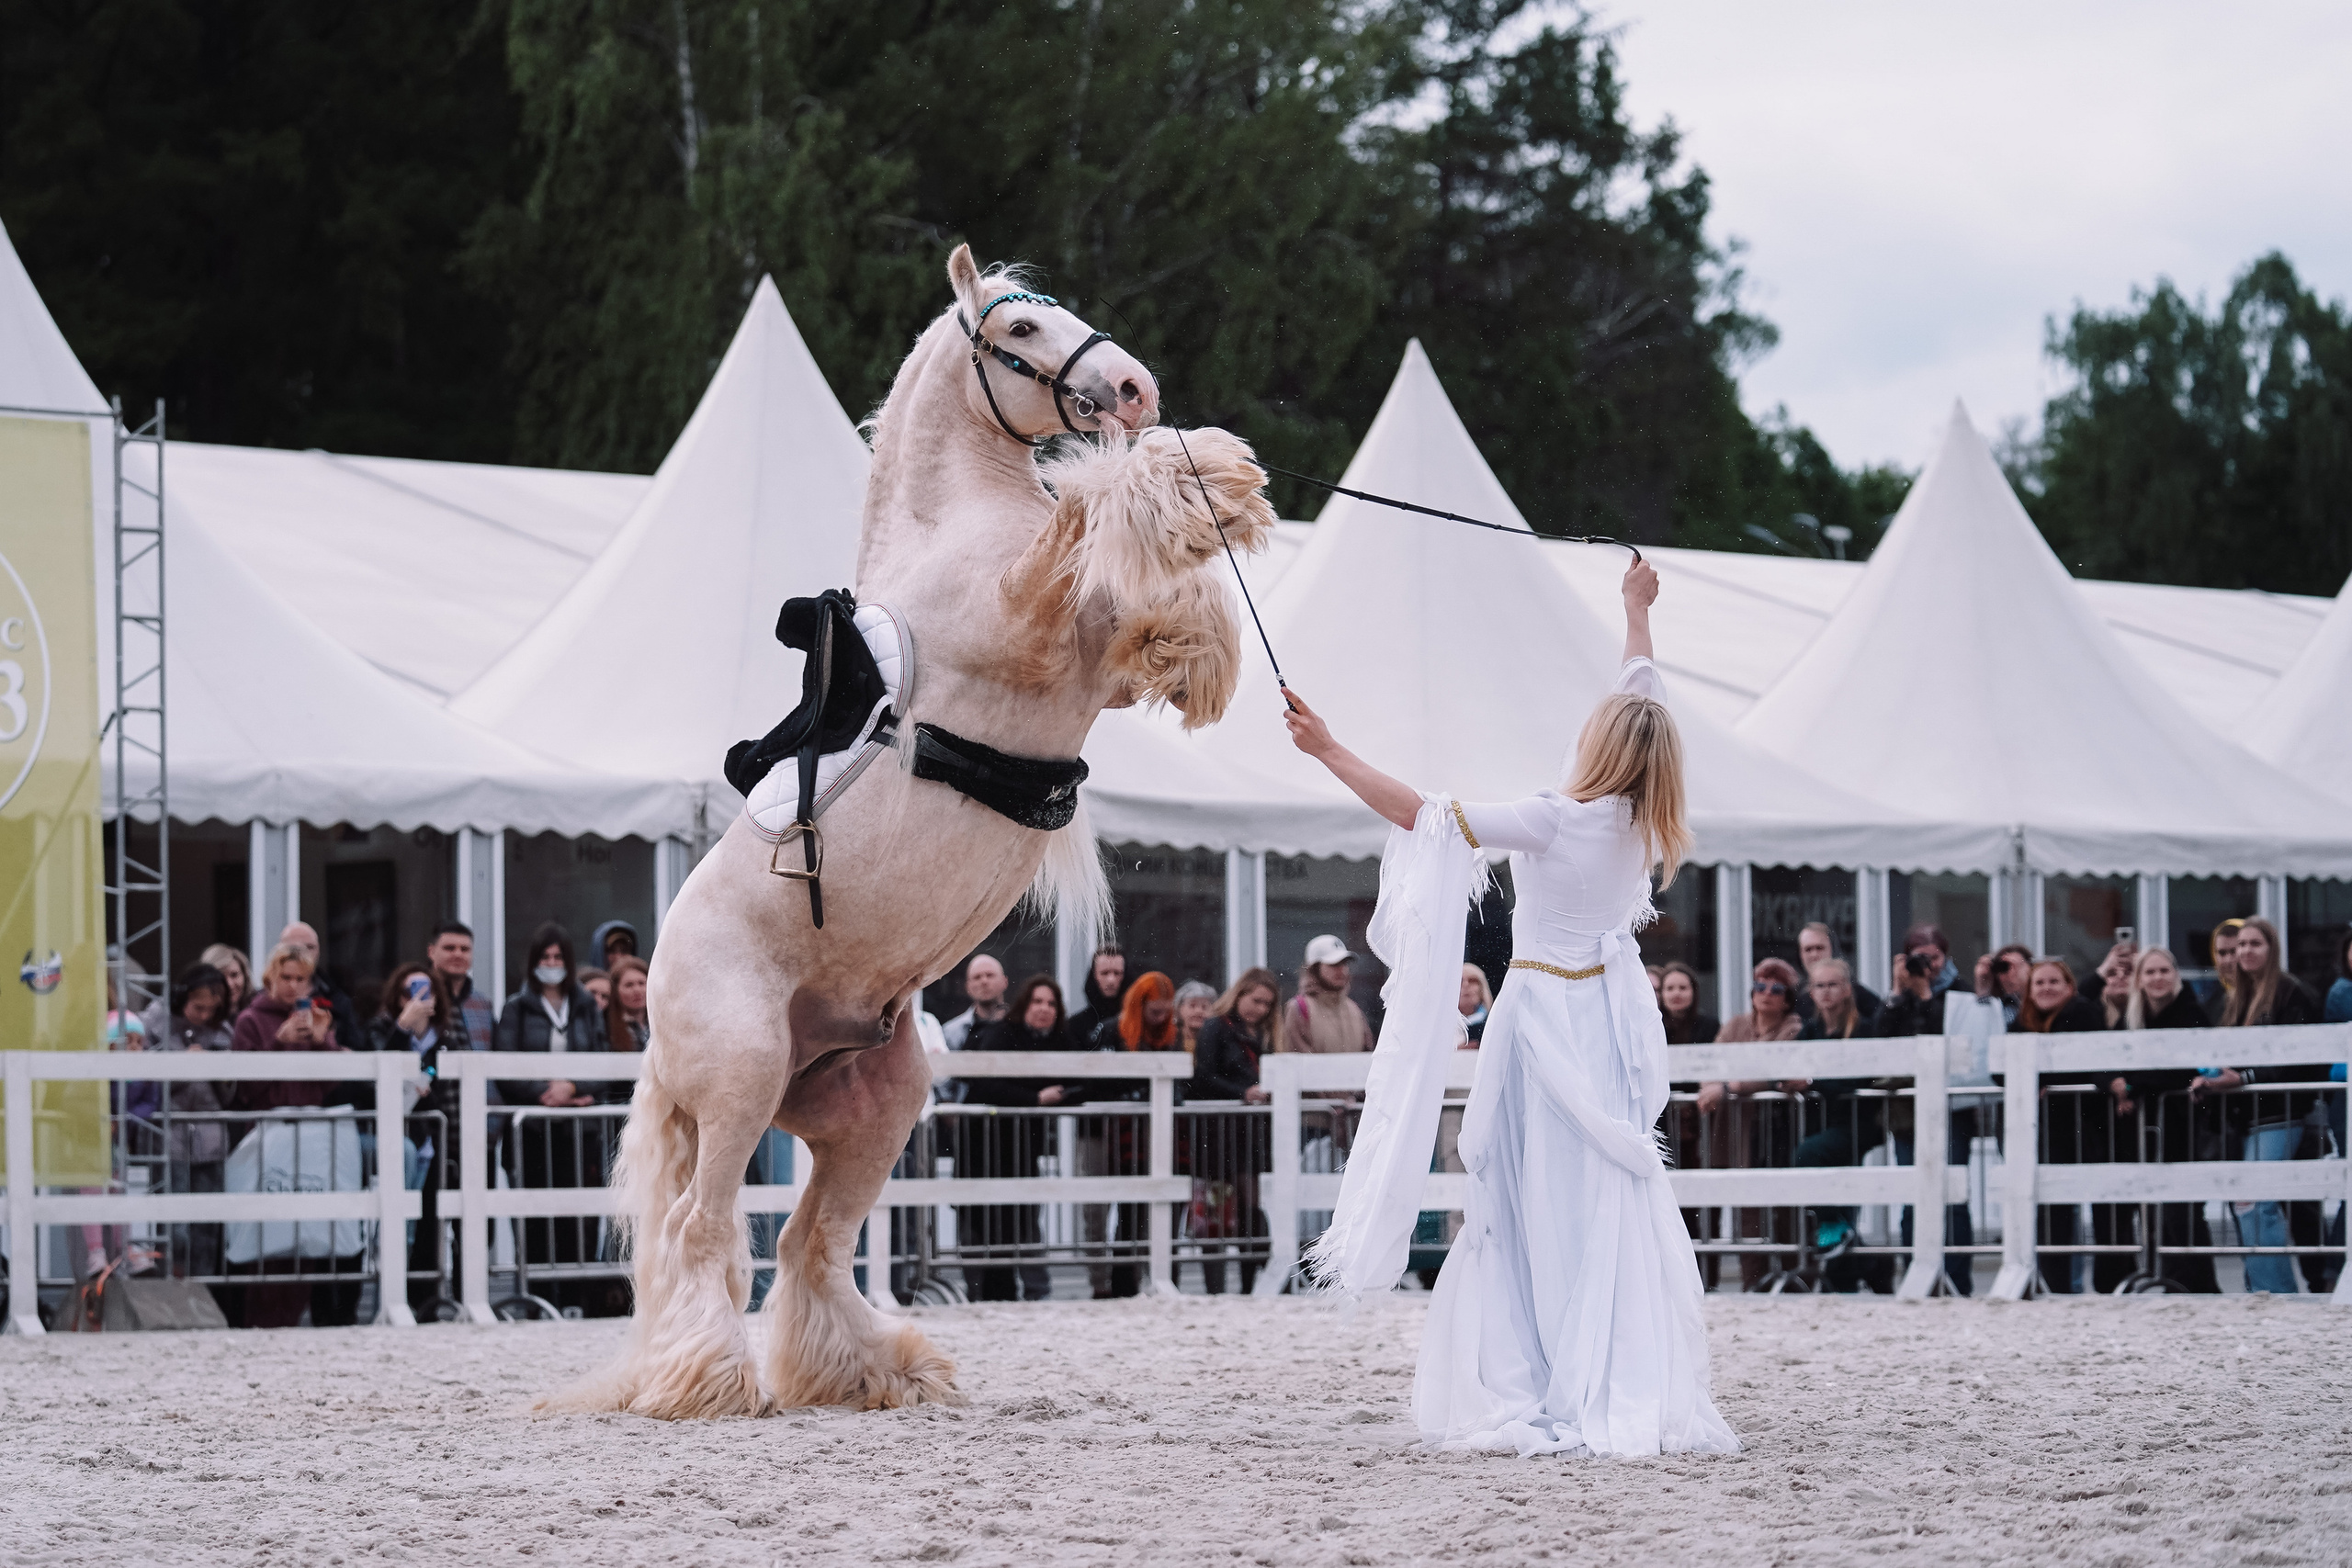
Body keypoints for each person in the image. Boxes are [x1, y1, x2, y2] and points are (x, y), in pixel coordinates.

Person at [1281, 554, 1736, 1457]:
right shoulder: (1642, 821)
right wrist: (1634, 609)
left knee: (1529, 1201)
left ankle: (1544, 1363)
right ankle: (1598, 1358)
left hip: (1537, 1023)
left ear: (1601, 747)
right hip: (1601, 1022)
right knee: (1600, 1196)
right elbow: (1640, 688)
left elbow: (1423, 814)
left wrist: (1328, 748)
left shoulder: (1554, 817)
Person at [229, 942, 365, 1328]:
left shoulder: (318, 1019)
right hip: (266, 1137)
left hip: (311, 1140)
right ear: (270, 977)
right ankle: (254, 1317)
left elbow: (332, 1085)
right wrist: (279, 1043)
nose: (292, 986)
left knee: (307, 1232)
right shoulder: (250, 1021)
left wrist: (323, 1043)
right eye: (285, 977)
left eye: (300, 979)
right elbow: (244, 1087)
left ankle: (301, 1314)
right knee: (265, 1232)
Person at [2208, 916, 2328, 1293]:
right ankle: (2263, 1287)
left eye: (2253, 944)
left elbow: (2303, 1060)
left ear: (2272, 949)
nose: (2244, 951)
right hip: (2247, 1116)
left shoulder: (2293, 993)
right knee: (2253, 1200)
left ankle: (2277, 1293)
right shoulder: (2236, 1001)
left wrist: (2243, 1079)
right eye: (2240, 945)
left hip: (2283, 1112)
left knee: (2256, 1200)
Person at [495, 923, 610, 1313]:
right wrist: (543, 1094)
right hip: (532, 1129)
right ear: (533, 963)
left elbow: (604, 1060)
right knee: (533, 1218)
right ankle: (538, 1298)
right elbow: (504, 1065)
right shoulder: (516, 1007)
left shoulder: (585, 1007)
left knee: (577, 1219)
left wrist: (574, 1087)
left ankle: (576, 1299)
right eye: (545, 958)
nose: (551, 964)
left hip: (579, 1131)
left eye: (558, 958)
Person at [2108, 947, 2218, 1292]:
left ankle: (2197, 1283)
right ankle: (2168, 1277)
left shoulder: (2191, 1013)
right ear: (2139, 979)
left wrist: (2133, 1085)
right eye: (2150, 972)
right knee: (2154, 1210)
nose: (2158, 979)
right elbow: (2105, 1057)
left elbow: (2180, 1070)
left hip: (2185, 1124)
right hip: (2145, 1128)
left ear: (2175, 975)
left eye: (2164, 971)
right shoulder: (2131, 1018)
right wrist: (2114, 1083)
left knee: (2180, 1207)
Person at [1066, 971, 1182, 1297]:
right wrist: (1137, 1094)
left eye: (1164, 1011)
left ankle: (1137, 1278)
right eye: (1154, 1011)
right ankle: (1108, 1283)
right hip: (1107, 1131)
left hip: (1144, 1133)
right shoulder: (1111, 1031)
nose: (1160, 1018)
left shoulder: (1169, 1034)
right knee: (1106, 1210)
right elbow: (1097, 1082)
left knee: (1140, 1208)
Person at [1696, 957, 1807, 1292]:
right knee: (1746, 1205)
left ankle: (1793, 1278)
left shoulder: (1794, 1026)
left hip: (1775, 1125)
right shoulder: (1736, 1026)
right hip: (1734, 1127)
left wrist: (1731, 1087)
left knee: (1784, 1205)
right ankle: (1752, 1282)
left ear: (1788, 997)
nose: (1766, 994)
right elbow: (1711, 1066)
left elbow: (1776, 1070)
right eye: (1760, 986)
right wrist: (1719, 1085)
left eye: (1776, 988)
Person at [958, 975, 1072, 1301]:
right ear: (1024, 1004)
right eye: (1037, 1001)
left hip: (1021, 1147)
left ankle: (1033, 1291)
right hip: (982, 1145)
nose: (1044, 1009)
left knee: (1022, 1216)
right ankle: (982, 1294)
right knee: (980, 1219)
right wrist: (1035, 1100)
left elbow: (1078, 1080)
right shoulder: (1000, 1033)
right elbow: (983, 1084)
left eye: (1051, 1003)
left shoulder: (1058, 1039)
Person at [368, 963, 460, 1313]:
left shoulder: (446, 1037)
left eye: (426, 990)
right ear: (397, 997)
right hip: (391, 1140)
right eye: (410, 991)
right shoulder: (381, 1028)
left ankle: (424, 1301)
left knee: (428, 1225)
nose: (418, 999)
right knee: (393, 1221)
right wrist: (402, 1028)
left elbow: (447, 1088)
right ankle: (389, 1297)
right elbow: (374, 1072)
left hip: (432, 1139)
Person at [2017, 957, 2113, 1293]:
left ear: (2069, 986)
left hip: (2090, 1125)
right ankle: (2057, 1286)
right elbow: (2001, 1068)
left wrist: (2039, 1076)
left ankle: (2107, 1285)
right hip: (2048, 1131)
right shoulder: (2022, 1022)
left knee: (2104, 1209)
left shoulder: (2084, 1012)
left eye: (2053, 981)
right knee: (2053, 1213)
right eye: (2039, 983)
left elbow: (2085, 1063)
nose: (2046, 988)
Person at [143, 963, 234, 1286]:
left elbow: (230, 1092)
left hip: (211, 1138)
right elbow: (144, 1082)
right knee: (175, 1228)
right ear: (183, 998)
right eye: (199, 1007)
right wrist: (185, 1066)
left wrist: (219, 1069)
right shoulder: (153, 1023)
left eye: (212, 1009)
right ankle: (171, 1290)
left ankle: (203, 1293)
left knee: (206, 1228)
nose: (204, 1015)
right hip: (169, 1137)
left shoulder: (223, 1032)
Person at [1191, 967, 1281, 1295]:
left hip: (1248, 1134)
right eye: (1256, 1000)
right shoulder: (1215, 1027)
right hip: (1217, 1134)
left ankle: (1249, 1285)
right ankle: (1215, 1288)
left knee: (1249, 1209)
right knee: (1215, 1212)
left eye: (1267, 1004)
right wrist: (1242, 1093)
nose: (1260, 1009)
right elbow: (1202, 1078)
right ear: (1240, 994)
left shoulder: (1265, 1035)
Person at [276, 921, 362, 1051]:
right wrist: (278, 1042)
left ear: (319, 951)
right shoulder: (258, 1007)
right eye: (295, 948)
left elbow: (356, 1050)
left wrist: (324, 1042)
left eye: (310, 947)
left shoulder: (338, 1000)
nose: (303, 953)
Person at [1876, 923, 1967, 1037]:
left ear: (1945, 956)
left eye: (1935, 958)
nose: (1931, 965)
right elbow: (1880, 1033)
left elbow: (1950, 1031)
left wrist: (1925, 996)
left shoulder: (1959, 988)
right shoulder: (1905, 993)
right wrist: (1897, 991)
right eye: (1923, 958)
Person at [425, 922, 496, 1052]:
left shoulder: (483, 1005)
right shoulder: (418, 997)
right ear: (431, 952)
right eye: (449, 948)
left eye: (465, 949)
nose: (458, 954)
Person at [1793, 922, 1880, 1026]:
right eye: (1808, 949)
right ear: (1800, 954)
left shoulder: (1856, 993)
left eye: (1819, 948)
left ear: (1832, 950)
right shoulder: (1795, 996)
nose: (1814, 954)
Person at [941, 954, 1008, 1052]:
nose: (984, 981)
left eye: (990, 975)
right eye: (977, 977)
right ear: (967, 987)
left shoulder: (1022, 1026)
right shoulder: (951, 1033)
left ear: (1005, 981)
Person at [1066, 945, 1129, 1047]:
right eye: (1104, 973)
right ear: (1094, 976)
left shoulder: (1138, 1021)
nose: (1111, 980)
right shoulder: (1076, 1025)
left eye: (1117, 973)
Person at [2194, 917, 2245, 1014]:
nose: (2228, 960)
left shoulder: (2274, 997)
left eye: (2234, 951)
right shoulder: (2212, 1007)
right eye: (2222, 953)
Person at [1657, 961, 1714, 1045]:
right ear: (1661, 993)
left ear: (1694, 992)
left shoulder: (1710, 1027)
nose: (1676, 993)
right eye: (1670, 988)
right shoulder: (1654, 1027)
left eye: (1683, 988)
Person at [605, 955, 650, 1051]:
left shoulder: (659, 1023)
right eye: (629, 985)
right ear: (615, 990)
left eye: (642, 983)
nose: (637, 990)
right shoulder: (605, 1025)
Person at [198, 942, 253, 1020]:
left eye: (234, 975)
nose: (229, 984)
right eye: (221, 977)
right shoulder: (196, 1020)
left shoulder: (257, 1017)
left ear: (245, 977)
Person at [1173, 980, 1217, 1055]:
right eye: (1192, 1005)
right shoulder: (1170, 1040)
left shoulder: (1218, 1041)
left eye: (1204, 1007)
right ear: (1179, 1009)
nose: (1198, 1011)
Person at [1457, 964, 1492, 1046]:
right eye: (1460, 980)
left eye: (1472, 980)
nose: (1466, 985)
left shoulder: (1493, 1025)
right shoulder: (1441, 1026)